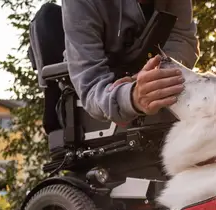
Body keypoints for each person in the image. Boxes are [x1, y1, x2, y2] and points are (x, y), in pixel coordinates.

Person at [60, 0, 200, 124]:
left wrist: (157, 74)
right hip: (106, 88)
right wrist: (132, 96)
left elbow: (182, 39)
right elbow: (91, 85)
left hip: (147, 79)